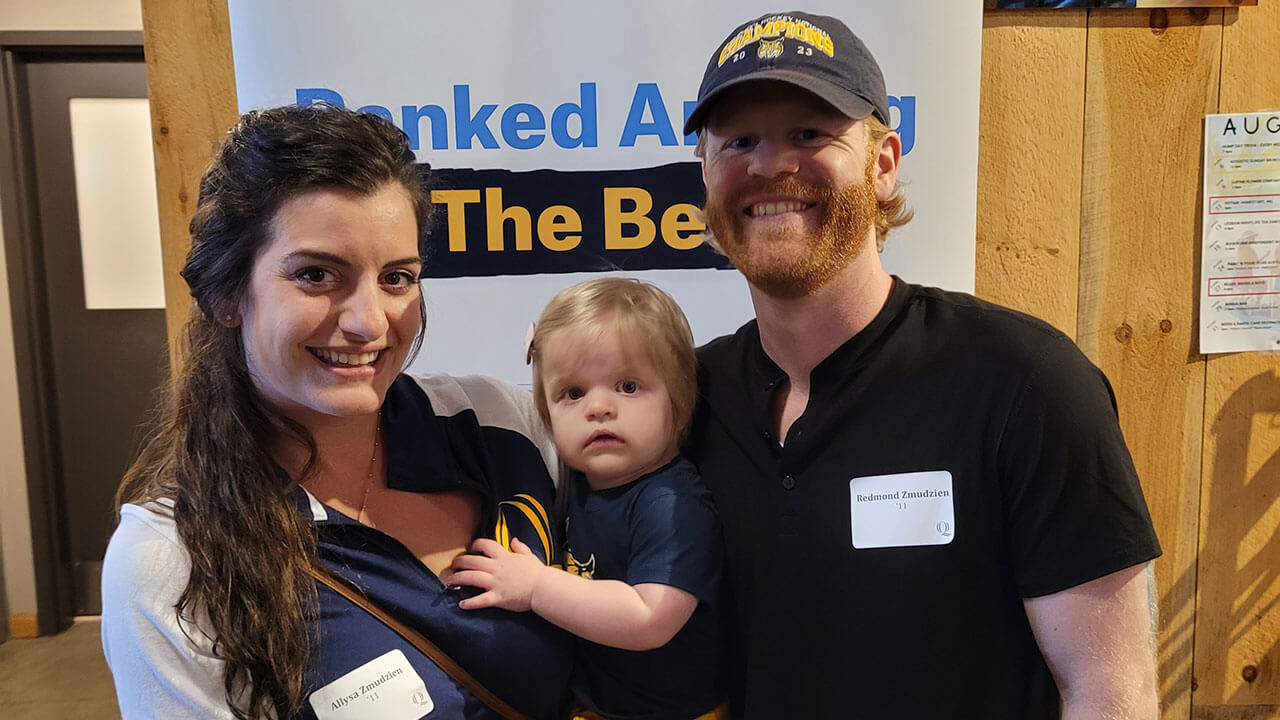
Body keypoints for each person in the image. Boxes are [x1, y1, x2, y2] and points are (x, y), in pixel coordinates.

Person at [681, 11, 1162, 719]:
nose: (768, 163)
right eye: (738, 141)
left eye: (810, 133)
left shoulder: (1024, 382)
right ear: (706, 173)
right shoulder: (688, 398)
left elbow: (1109, 694)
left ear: (882, 165)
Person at [100, 103, 573, 720]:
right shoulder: (172, 556)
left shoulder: (500, 423)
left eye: (397, 277)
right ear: (226, 294)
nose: (369, 321)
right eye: (317, 274)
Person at [449, 277, 727, 720]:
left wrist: (536, 587)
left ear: (679, 401)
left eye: (628, 386)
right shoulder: (576, 480)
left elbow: (649, 618)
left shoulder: (672, 502)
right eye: (572, 394)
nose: (598, 407)